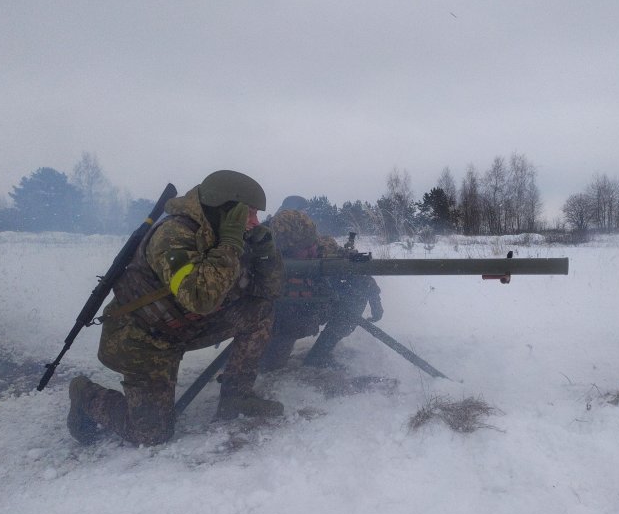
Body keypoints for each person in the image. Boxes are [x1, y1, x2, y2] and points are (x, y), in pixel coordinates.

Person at [67, 170, 284, 446]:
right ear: (223, 210)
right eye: (248, 214)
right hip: (143, 338)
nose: (254, 223)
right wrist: (229, 244)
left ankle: (236, 398)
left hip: (187, 325)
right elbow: (200, 297)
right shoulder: (173, 235)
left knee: (261, 311)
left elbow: (270, 292)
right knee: (151, 434)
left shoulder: (228, 234)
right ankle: (84, 394)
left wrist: (266, 253)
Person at [259, 196, 383, 371]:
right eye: (301, 214)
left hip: (304, 312)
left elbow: (350, 265)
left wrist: (373, 294)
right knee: (269, 365)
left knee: (353, 300)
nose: (304, 219)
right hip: (272, 319)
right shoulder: (260, 244)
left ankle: (318, 356)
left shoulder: (315, 242)